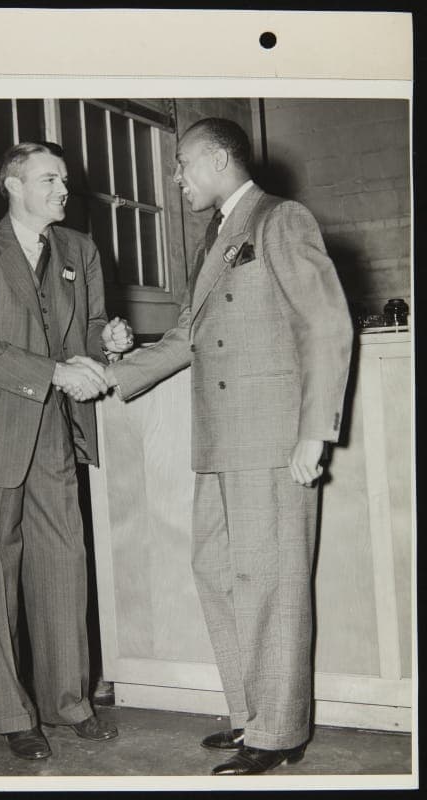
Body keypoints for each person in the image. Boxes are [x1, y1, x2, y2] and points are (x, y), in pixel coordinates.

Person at [106, 118, 353, 776]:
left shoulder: (281, 219)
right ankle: (249, 712)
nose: (176, 177)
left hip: (272, 436)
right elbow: (189, 334)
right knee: (218, 573)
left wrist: (315, 430)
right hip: (219, 440)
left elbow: (327, 323)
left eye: (183, 164)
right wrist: (112, 374)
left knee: (272, 582)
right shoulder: (214, 238)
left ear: (217, 160)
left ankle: (279, 729)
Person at [0, 141, 133, 761]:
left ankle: (68, 702)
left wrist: (114, 337)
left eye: (64, 180)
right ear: (11, 185)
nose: (62, 189)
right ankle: (13, 715)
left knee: (63, 566)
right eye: (49, 179)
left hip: (55, 429)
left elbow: (95, 326)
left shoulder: (80, 249)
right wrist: (52, 372)